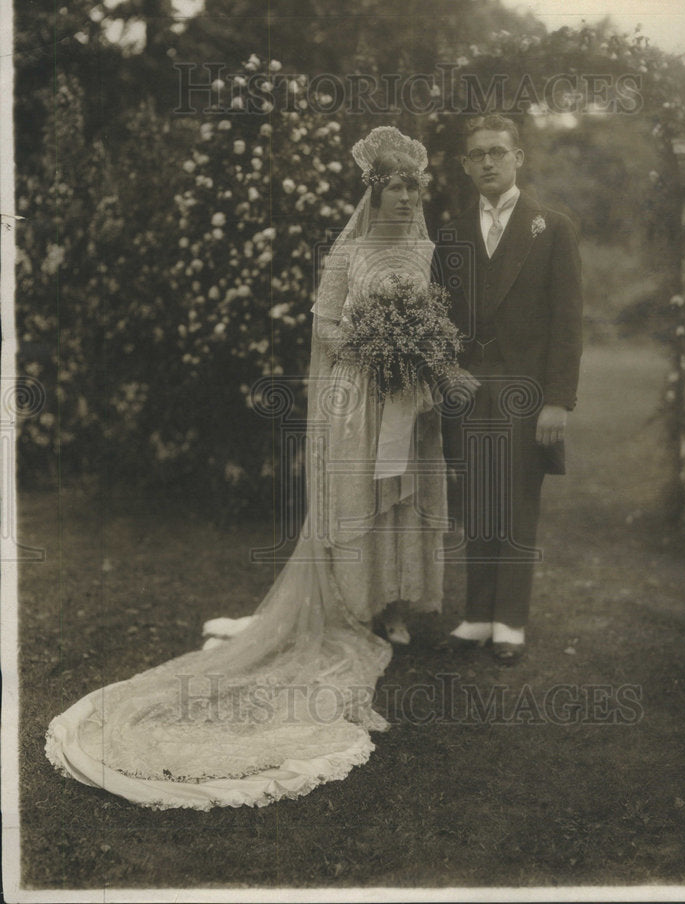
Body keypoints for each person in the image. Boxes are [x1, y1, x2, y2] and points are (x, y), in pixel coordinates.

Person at [45, 127, 448, 809]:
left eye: (415, 188)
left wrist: (417, 350)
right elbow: (323, 325)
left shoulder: (424, 251)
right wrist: (373, 343)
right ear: (373, 194)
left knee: (401, 496)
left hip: (405, 397)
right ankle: (353, 611)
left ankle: (394, 603)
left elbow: (430, 317)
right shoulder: (348, 253)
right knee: (357, 495)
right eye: (395, 189)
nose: (407, 200)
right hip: (357, 395)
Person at [433, 114, 583, 665]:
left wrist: (558, 400)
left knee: (518, 501)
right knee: (477, 501)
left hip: (527, 391)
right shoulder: (451, 233)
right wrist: (445, 370)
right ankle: (476, 615)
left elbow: (568, 323)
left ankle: (510, 621)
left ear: (518, 157)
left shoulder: (553, 228)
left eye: (498, 151)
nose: (488, 162)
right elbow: (437, 317)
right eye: (477, 155)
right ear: (465, 165)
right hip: (470, 390)